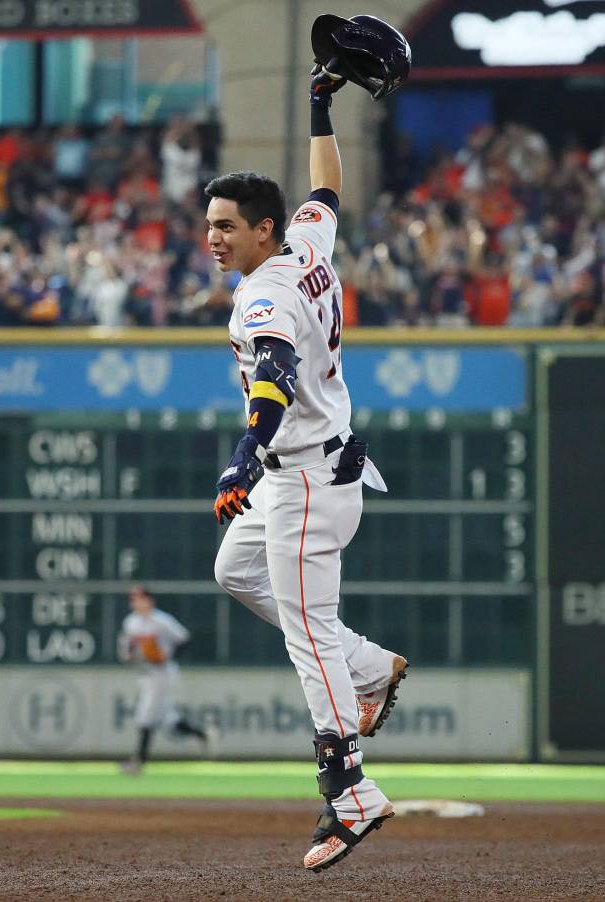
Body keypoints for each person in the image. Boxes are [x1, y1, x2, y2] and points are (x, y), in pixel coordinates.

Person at [208, 59, 408, 872]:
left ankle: (351, 794)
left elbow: (274, 375)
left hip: (300, 481)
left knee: (306, 637)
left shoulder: (263, 295)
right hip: (330, 468)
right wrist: (322, 106)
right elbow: (326, 190)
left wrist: (242, 457)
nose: (215, 236)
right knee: (234, 570)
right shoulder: (303, 244)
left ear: (262, 230)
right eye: (209, 224)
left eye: (227, 225)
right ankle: (373, 668)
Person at [118, 585, 212, 774]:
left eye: (139, 597)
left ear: (149, 600)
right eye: (133, 598)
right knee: (170, 722)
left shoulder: (161, 620)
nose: (135, 601)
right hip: (145, 675)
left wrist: (168, 655)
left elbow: (184, 639)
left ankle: (138, 762)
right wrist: (128, 654)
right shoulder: (131, 623)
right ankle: (202, 734)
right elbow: (126, 650)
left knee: (145, 716)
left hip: (163, 674)